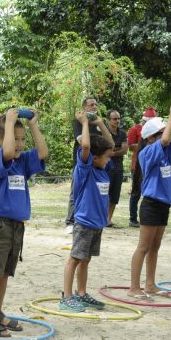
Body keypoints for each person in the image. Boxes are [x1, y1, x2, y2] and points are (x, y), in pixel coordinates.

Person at [0, 108, 48, 336]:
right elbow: (7, 151)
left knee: (5, 273)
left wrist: (33, 125)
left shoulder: (22, 162)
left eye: (22, 139)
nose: (19, 144)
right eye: (14, 139)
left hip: (17, 226)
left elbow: (43, 152)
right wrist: (9, 122)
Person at [128, 102, 171, 299]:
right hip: (151, 205)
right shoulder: (147, 152)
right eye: (162, 132)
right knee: (143, 247)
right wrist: (170, 116)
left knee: (155, 247)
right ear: (151, 138)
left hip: (164, 205)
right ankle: (134, 287)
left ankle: (150, 284)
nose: (167, 136)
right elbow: (164, 140)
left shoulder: (167, 151)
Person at [59, 111, 115, 312]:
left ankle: (81, 293)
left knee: (86, 259)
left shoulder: (102, 171)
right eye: (106, 157)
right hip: (84, 223)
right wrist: (83, 122)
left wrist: (100, 123)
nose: (109, 160)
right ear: (94, 157)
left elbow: (112, 146)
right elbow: (85, 146)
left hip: (97, 224)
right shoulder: (85, 170)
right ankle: (66, 297)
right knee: (75, 258)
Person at [64, 97, 101, 234]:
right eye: (91, 104)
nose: (94, 107)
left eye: (96, 104)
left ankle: (87, 219)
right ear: (84, 107)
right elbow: (81, 141)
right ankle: (70, 222)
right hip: (82, 163)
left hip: (97, 164)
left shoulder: (98, 123)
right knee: (76, 192)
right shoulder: (78, 122)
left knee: (92, 192)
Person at [127, 107, 157, 227]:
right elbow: (130, 146)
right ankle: (133, 218)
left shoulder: (158, 130)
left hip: (153, 165)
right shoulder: (135, 129)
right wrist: (145, 144)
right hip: (138, 165)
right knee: (136, 192)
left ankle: (148, 217)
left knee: (150, 193)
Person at [105, 109, 128, 227]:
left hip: (118, 167)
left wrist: (112, 152)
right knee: (104, 193)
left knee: (115, 194)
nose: (117, 121)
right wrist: (111, 151)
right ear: (109, 120)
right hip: (106, 167)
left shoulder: (123, 133)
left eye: (118, 118)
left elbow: (125, 150)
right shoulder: (103, 132)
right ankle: (102, 217)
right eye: (114, 119)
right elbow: (103, 148)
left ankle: (108, 219)